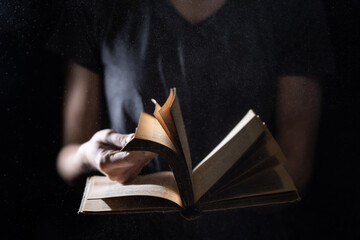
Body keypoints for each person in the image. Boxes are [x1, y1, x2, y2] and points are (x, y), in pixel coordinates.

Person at [49, 0, 334, 238]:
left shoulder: (293, 7)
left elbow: (295, 165)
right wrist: (90, 155)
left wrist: (221, 196)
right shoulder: (98, 6)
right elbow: (68, 157)